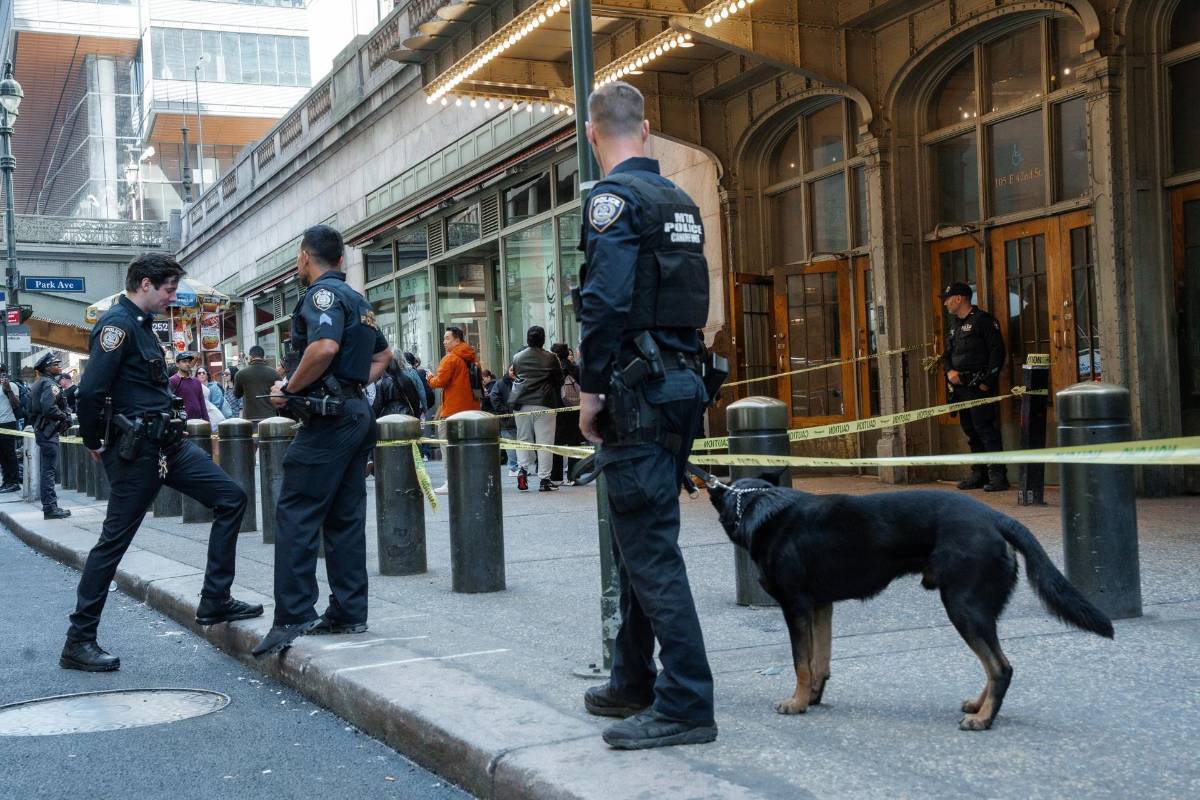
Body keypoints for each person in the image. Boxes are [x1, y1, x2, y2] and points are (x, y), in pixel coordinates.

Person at [575, 82, 716, 749]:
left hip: (635, 391)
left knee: (650, 548)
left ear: (591, 133)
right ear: (648, 128)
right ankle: (633, 679)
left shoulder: (612, 199)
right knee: (637, 541)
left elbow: (604, 303)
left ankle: (686, 702)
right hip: (680, 385)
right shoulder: (679, 201)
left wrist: (590, 390)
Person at [63, 252, 261, 672]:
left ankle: (215, 599)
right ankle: (78, 641)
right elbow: (90, 391)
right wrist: (93, 439)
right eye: (169, 289)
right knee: (113, 543)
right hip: (136, 452)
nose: (172, 297)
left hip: (169, 445)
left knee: (231, 497)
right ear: (145, 284)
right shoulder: (117, 326)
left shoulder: (142, 326)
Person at [252, 225, 390, 658]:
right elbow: (383, 355)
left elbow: (325, 346)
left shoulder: (322, 295)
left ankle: (293, 614)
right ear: (342, 259)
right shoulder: (358, 300)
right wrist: (350, 385)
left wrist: (290, 389)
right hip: (355, 413)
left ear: (303, 257)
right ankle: (348, 612)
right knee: (344, 516)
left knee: (296, 511)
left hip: (330, 420)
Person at [941, 281, 1009, 491]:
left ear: (959, 298)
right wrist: (949, 371)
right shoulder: (954, 326)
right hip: (960, 389)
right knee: (970, 431)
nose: (945, 303)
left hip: (978, 386)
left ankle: (998, 476)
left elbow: (997, 352)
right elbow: (946, 355)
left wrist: (987, 384)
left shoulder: (983, 321)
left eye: (947, 299)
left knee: (985, 430)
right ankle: (979, 473)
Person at [509, 325, 564, 492]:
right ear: (543, 339)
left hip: (521, 402)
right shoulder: (551, 357)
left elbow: (516, 374)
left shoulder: (517, 357)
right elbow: (559, 380)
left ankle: (522, 471)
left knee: (523, 438)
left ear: (528, 339)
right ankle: (544, 480)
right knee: (544, 442)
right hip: (544, 402)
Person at [426, 326, 480, 494]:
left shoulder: (450, 359)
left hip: (451, 411)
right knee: (467, 448)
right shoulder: (472, 358)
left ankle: (452, 482)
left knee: (447, 447)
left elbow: (439, 382)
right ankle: (469, 481)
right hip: (471, 410)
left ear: (457, 340)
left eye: (447, 338)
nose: (444, 342)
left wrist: (429, 377)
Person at [30, 351, 72, 520]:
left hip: (44, 431)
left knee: (47, 470)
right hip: (48, 432)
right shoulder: (49, 384)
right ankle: (50, 508)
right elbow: (49, 408)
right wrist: (64, 416)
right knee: (49, 471)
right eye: (55, 365)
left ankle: (50, 506)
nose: (59, 367)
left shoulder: (40, 383)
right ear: (47, 368)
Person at [550, 342, 583, 486]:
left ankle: (556, 477)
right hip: (575, 409)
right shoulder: (576, 369)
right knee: (574, 442)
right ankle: (574, 476)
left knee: (556, 443)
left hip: (557, 409)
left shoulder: (552, 371)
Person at [372, 348, 426, 419]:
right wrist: (416, 416)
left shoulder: (381, 383)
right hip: (406, 415)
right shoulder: (406, 379)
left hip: (388, 417)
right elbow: (415, 400)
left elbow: (377, 405)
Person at [489, 364, 519, 477]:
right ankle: (513, 467)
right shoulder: (500, 383)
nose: (513, 372)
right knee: (510, 445)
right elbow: (494, 397)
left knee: (520, 444)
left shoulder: (521, 382)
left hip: (519, 419)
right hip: (507, 420)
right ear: (507, 370)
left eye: (515, 370)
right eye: (511, 370)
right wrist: (504, 411)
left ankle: (520, 466)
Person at [235, 345, 279, 422]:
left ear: (250, 357)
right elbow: (280, 395)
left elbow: (237, 394)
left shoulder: (240, 374)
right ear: (264, 357)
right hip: (270, 417)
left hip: (250, 417)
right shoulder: (274, 373)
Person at [169, 352, 209, 422]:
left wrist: (207, 422)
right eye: (184, 361)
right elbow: (169, 404)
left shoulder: (196, 381)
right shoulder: (172, 381)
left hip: (198, 421)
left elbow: (202, 403)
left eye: (189, 361)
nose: (187, 364)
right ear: (177, 364)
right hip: (181, 422)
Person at [0, 366, 21, 492]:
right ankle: (6, 481)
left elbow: (16, 404)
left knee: (9, 454)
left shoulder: (11, 385)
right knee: (1, 456)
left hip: (7, 423)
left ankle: (14, 482)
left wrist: (8, 390)